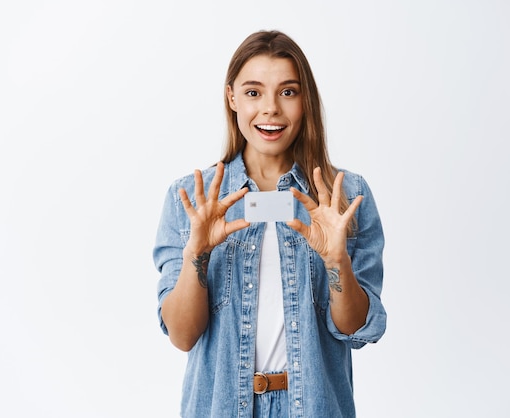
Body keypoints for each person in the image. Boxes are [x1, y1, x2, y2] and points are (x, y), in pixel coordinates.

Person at [154, 30, 386, 418]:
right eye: (253, 92)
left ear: (304, 101)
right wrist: (198, 253)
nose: (271, 109)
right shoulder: (192, 200)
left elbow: (353, 329)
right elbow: (182, 335)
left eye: (288, 92)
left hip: (313, 406)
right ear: (232, 98)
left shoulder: (343, 195)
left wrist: (336, 261)